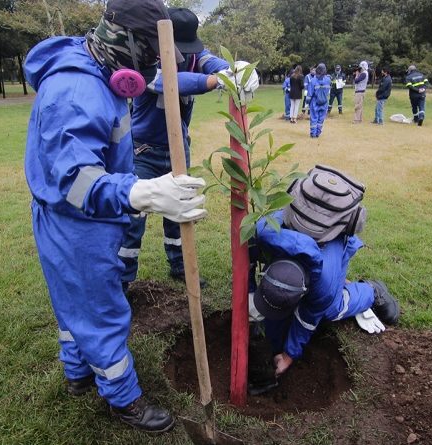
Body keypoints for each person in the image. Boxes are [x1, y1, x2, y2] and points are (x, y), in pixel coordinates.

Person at [24, 0, 216, 433]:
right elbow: (75, 181)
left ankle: (77, 375)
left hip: (82, 218)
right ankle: (123, 398)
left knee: (74, 303)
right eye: (152, 54)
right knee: (103, 309)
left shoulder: (96, 67)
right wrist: (142, 191)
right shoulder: (77, 92)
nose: (153, 66)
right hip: (77, 224)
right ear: (128, 42)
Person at [120, 7, 250, 291]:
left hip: (179, 148)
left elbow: (209, 61)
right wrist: (214, 81)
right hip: (145, 151)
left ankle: (179, 264)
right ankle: (123, 277)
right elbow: (169, 82)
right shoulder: (145, 65)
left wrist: (236, 71)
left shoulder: (192, 57)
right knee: (134, 218)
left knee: (178, 212)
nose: (189, 53)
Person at [247, 166, 400, 385]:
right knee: (277, 315)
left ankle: (370, 291)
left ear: (304, 290)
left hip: (333, 244)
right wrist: (250, 293)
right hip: (308, 218)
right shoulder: (262, 232)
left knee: (331, 309)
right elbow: (247, 260)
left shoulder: (323, 284)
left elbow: (308, 319)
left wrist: (289, 355)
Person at [307, 63, 331, 137]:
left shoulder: (313, 80)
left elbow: (309, 94)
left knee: (314, 118)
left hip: (314, 102)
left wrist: (307, 102)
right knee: (321, 119)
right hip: (324, 102)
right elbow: (328, 92)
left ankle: (313, 134)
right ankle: (318, 133)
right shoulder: (328, 80)